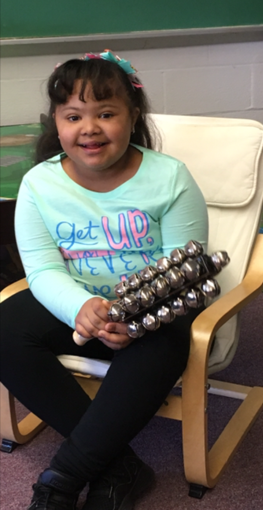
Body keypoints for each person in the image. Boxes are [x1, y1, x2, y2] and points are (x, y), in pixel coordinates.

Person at [0, 50, 208, 510]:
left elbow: (182, 272)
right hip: (76, 311)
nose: (89, 128)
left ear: (133, 117)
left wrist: (132, 319)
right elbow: (43, 270)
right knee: (4, 325)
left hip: (150, 317)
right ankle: (120, 467)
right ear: (56, 123)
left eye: (106, 113)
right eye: (73, 115)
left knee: (168, 339)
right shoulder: (39, 184)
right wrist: (80, 308)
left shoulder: (169, 177)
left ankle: (62, 478)